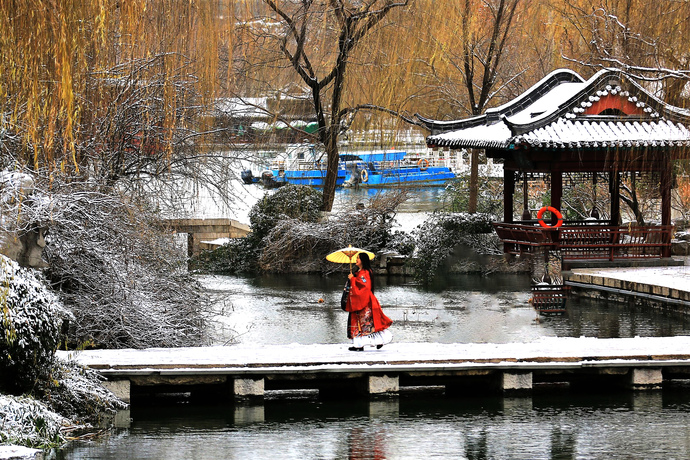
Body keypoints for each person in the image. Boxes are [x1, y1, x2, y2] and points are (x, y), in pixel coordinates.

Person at [344, 252, 392, 351]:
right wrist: (353, 278)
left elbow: (365, 287)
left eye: (358, 258)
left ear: (363, 260)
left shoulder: (365, 273)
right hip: (362, 301)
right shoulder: (360, 272)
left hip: (365, 302)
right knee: (361, 324)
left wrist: (353, 279)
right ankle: (360, 345)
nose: (356, 260)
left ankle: (376, 341)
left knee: (368, 324)